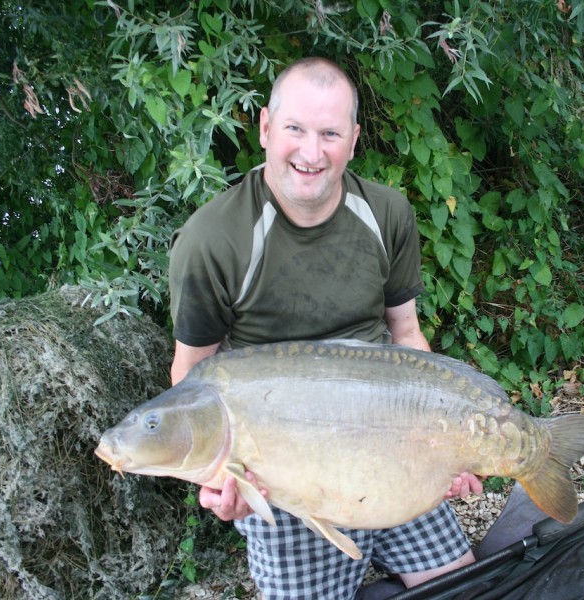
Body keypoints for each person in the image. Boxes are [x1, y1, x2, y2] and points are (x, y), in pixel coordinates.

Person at [168, 57, 483, 598]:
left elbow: (407, 337)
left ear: (354, 140)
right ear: (265, 127)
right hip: (284, 465)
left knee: (466, 590)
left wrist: (448, 443)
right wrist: (219, 477)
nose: (311, 153)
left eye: (330, 134)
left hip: (389, 434)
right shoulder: (210, 241)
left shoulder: (387, 213)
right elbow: (192, 378)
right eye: (295, 129)